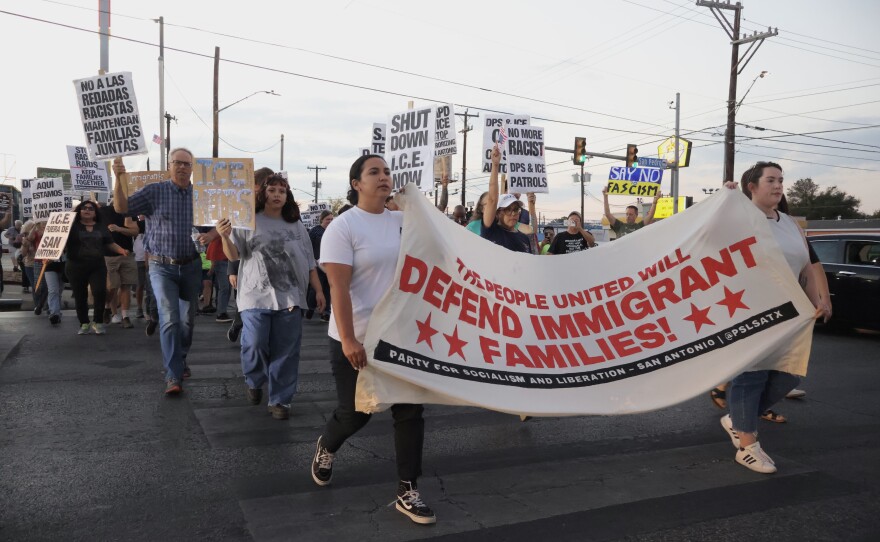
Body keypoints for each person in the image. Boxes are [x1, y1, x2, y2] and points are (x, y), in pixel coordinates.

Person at [311, 154, 436, 525]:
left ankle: (407, 490)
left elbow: (439, 242)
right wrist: (349, 339)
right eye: (374, 172)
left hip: (399, 336)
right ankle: (327, 444)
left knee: (410, 409)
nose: (384, 177)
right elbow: (338, 287)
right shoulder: (342, 227)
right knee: (356, 414)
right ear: (356, 184)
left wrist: (414, 204)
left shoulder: (401, 222)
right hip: (357, 337)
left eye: (387, 172)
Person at [719, 161, 831, 474]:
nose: (779, 185)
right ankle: (747, 446)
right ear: (751, 186)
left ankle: (737, 419)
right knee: (751, 374)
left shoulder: (791, 223)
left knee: (789, 374)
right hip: (751, 310)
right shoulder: (739, 220)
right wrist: (723, 199)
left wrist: (818, 301)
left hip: (790, 314)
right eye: (771, 180)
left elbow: (806, 265)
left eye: (781, 180)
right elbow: (704, 236)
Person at [217, 174, 324, 420]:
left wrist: (318, 290)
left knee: (287, 350)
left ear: (287, 196)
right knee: (254, 342)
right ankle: (254, 379)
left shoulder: (297, 226)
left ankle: (280, 400)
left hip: (291, 297)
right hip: (254, 295)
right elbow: (234, 255)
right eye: (272, 190)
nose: (277, 194)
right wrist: (224, 235)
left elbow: (309, 262)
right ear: (263, 193)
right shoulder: (247, 220)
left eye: (282, 191)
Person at [113, 148, 213, 395]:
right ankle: (172, 374)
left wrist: (210, 235)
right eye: (177, 162)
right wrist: (118, 178)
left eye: (187, 164)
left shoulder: (203, 195)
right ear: (169, 165)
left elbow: (223, 222)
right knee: (169, 317)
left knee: (187, 320)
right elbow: (122, 207)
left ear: (193, 168)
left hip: (191, 265)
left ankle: (180, 358)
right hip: (161, 266)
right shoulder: (154, 191)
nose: (182, 167)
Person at [64, 201, 129, 335]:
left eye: (91, 208)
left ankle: (98, 322)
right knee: (80, 295)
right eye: (84, 208)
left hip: (97, 265)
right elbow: (59, 242)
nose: (87, 210)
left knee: (100, 292)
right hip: (76, 265)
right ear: (79, 211)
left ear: (95, 212)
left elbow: (110, 243)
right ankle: (84, 323)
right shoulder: (70, 226)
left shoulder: (101, 226)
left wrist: (121, 250)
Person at [227, 166, 275, 343]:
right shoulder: (244, 214)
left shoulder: (286, 215)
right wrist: (232, 270)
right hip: (251, 278)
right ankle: (239, 323)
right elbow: (235, 244)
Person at [480, 146, 535, 254]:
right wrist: (495, 165)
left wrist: (532, 204)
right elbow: (492, 200)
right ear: (498, 213)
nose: (513, 213)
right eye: (507, 209)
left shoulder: (524, 239)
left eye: (516, 209)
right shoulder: (490, 231)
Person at [100, 201, 139, 328]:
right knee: (112, 286)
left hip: (127, 254)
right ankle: (108, 308)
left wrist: (119, 229)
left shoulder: (130, 212)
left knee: (126, 286)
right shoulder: (103, 211)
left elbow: (135, 232)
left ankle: (125, 316)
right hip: (109, 255)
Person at [306, 210, 333, 322]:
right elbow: (308, 246)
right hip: (316, 264)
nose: (330, 221)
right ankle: (311, 308)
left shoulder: (334, 230)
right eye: (327, 219)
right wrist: (312, 259)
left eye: (331, 219)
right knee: (316, 287)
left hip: (329, 264)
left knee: (328, 288)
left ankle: (326, 312)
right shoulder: (315, 231)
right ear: (322, 219)